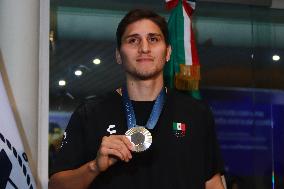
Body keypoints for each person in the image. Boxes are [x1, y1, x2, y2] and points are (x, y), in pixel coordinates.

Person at [49, 9, 225, 189]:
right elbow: (55, 186)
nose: (144, 48)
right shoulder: (90, 113)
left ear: (168, 52)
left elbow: (212, 183)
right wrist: (94, 166)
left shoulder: (196, 113)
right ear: (118, 55)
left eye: (153, 39)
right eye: (133, 40)